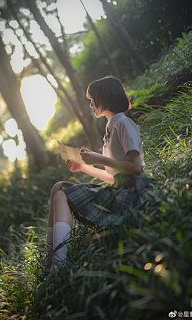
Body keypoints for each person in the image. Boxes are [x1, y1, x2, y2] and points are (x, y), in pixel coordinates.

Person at [44, 76, 151, 271]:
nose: (91, 105)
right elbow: (115, 178)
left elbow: (135, 169)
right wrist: (84, 167)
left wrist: (99, 159)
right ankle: (50, 258)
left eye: (93, 99)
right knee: (57, 187)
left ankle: (58, 263)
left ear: (106, 99)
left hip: (131, 194)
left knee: (62, 194)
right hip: (120, 189)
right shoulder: (110, 127)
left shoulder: (124, 124)